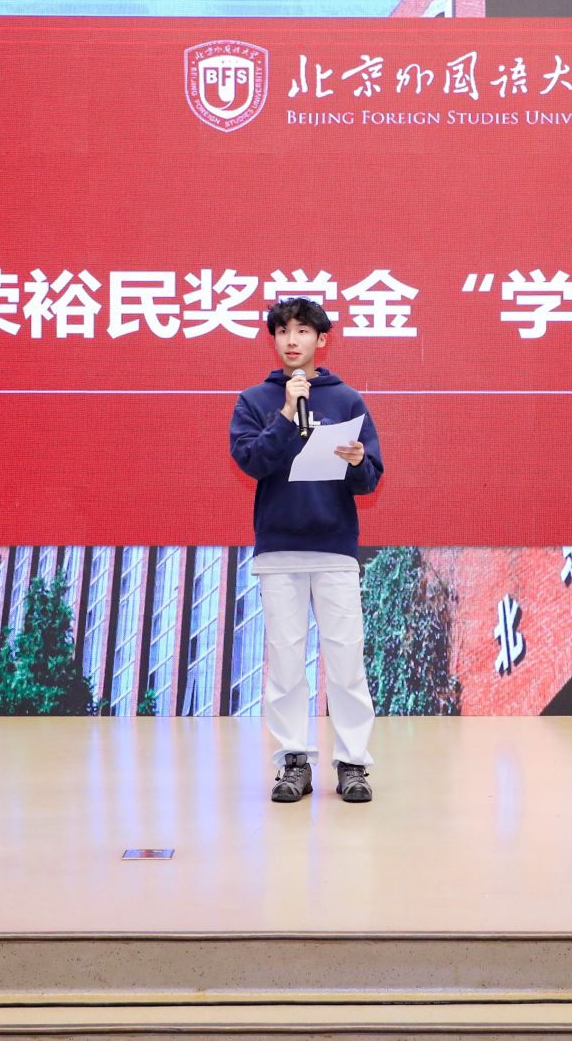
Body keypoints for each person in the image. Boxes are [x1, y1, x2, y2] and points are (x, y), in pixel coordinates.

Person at [227, 297, 383, 803]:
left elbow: (369, 478)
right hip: (279, 550)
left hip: (334, 546)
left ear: (322, 339)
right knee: (286, 663)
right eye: (282, 331)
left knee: (346, 660)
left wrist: (358, 461)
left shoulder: (347, 400)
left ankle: (353, 763)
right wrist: (286, 414)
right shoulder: (255, 400)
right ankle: (293, 761)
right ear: (273, 339)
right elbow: (252, 461)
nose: (291, 340)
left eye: (302, 331)